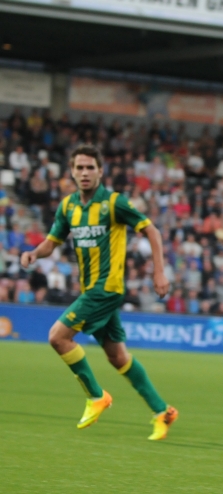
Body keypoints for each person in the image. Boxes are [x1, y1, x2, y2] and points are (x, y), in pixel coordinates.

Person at [20, 144, 178, 441]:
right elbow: (51, 242)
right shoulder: (68, 207)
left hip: (107, 289)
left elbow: (152, 231)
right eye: (79, 167)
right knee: (118, 357)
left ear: (100, 171)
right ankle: (162, 411)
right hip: (92, 289)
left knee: (57, 336)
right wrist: (34, 253)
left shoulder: (114, 203)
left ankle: (96, 396)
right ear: (71, 171)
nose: (84, 172)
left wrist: (159, 271)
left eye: (90, 167)